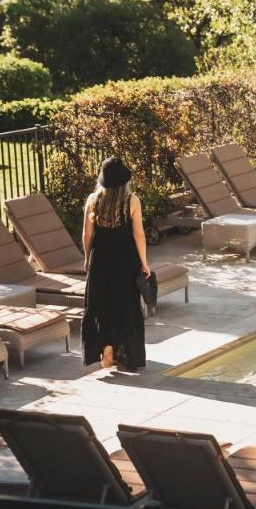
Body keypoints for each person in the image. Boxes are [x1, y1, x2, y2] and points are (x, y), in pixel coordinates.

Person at [81, 156, 149, 371]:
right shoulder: (132, 201)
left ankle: (107, 349)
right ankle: (125, 353)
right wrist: (145, 263)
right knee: (125, 306)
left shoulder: (93, 200)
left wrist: (86, 258)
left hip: (101, 259)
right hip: (126, 261)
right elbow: (138, 234)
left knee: (102, 305)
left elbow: (87, 234)